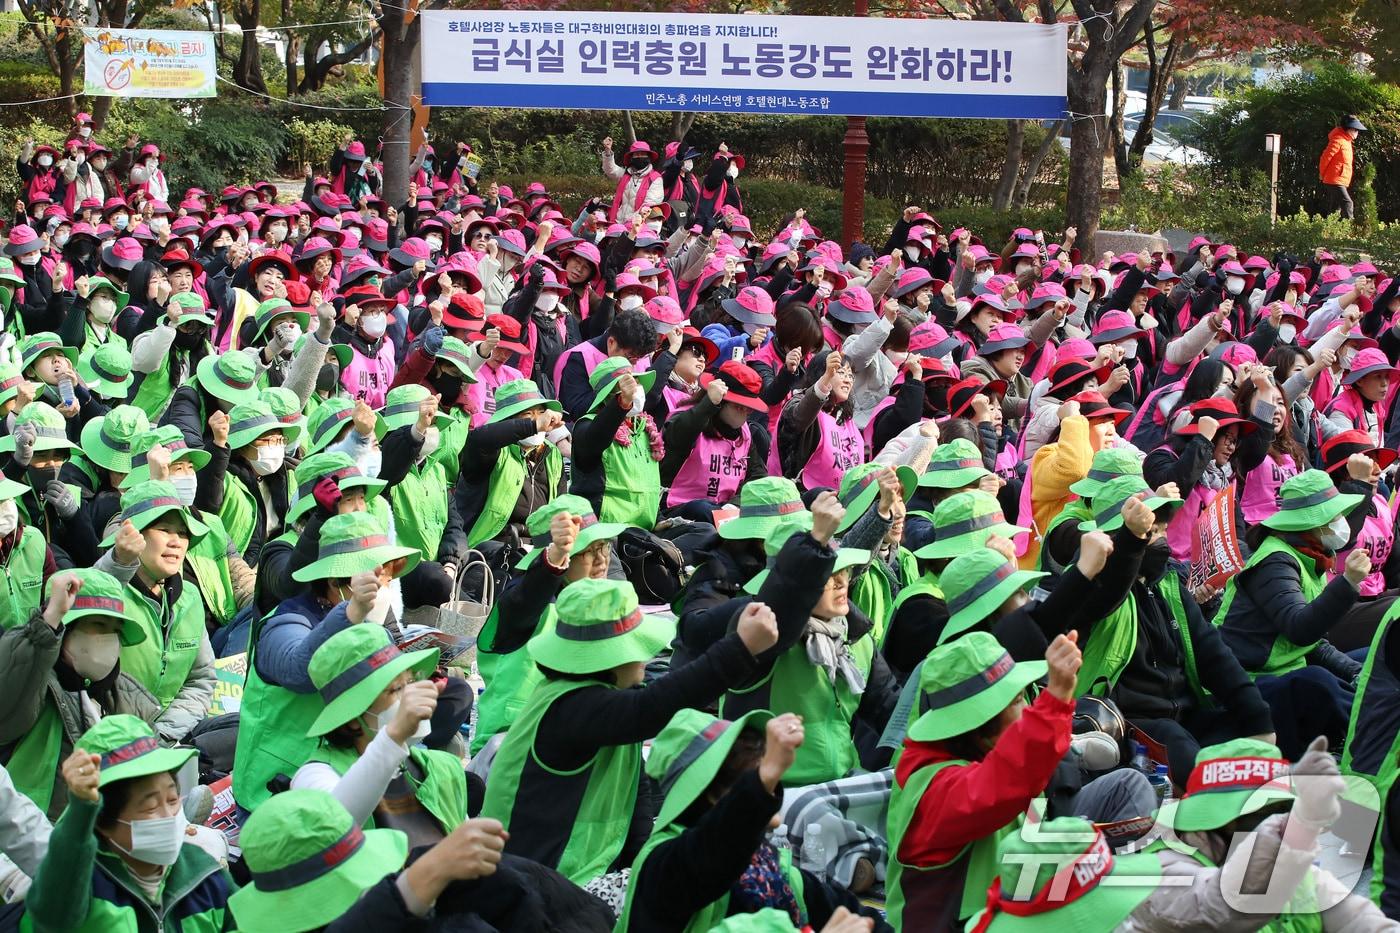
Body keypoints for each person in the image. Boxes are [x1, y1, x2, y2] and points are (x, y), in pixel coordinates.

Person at [479, 576, 780, 887]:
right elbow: (652, 708)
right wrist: (740, 649)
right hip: (534, 885)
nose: (646, 655)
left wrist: (641, 868)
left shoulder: (601, 705)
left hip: (576, 875)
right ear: (607, 656)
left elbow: (635, 799)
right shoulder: (571, 706)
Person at [883, 631, 1082, 932]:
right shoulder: (934, 787)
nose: (1028, 709)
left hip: (1010, 911)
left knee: (1125, 786)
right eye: (1017, 701)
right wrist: (1054, 702)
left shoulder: (983, 754)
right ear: (978, 725)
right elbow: (1003, 783)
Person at [232, 510, 419, 812]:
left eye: (387, 573)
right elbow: (299, 672)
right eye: (374, 577)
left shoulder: (374, 624)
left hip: (349, 771)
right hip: (280, 789)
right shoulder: (284, 622)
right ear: (336, 581)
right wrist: (351, 612)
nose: (384, 585)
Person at [25, 715, 233, 931]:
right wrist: (80, 812)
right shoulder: (76, 881)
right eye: (150, 807)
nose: (170, 816)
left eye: (172, 800)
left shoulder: (203, 874)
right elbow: (52, 919)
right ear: (103, 822)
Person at [1215, 469, 1371, 758]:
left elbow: (1315, 644)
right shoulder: (1275, 561)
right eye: (1333, 517)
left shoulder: (1312, 554)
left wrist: (1357, 671)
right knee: (1317, 682)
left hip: (1289, 668)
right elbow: (1300, 630)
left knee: (1374, 660)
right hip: (1249, 681)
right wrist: (1348, 584)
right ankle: (1377, 732)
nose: (1340, 523)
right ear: (1311, 523)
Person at [293, 624, 470, 844]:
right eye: (397, 689)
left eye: (411, 682)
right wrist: (394, 736)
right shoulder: (314, 775)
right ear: (352, 721)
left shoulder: (443, 768)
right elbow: (335, 828)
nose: (411, 695)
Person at [0, 568, 146, 820]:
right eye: (98, 624)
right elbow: (10, 693)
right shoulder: (35, 687)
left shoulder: (124, 694)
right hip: (33, 836)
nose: (108, 638)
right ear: (66, 628)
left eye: (115, 629)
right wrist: (49, 621)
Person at [97, 482, 214, 743]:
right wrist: (117, 561)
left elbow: (201, 680)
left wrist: (164, 734)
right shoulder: (112, 591)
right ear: (135, 536)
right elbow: (82, 602)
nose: (177, 542)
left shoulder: (191, 598)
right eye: (164, 530)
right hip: (110, 740)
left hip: (170, 735)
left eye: (183, 533)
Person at [1318, 115, 1366, 220]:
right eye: (1355, 130)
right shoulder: (1338, 140)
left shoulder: (1346, 141)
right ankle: (1350, 229)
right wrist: (1322, 174)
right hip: (1334, 179)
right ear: (1348, 129)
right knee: (1347, 203)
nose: (1357, 133)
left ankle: (1329, 231)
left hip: (1340, 179)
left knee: (1335, 207)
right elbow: (1325, 158)